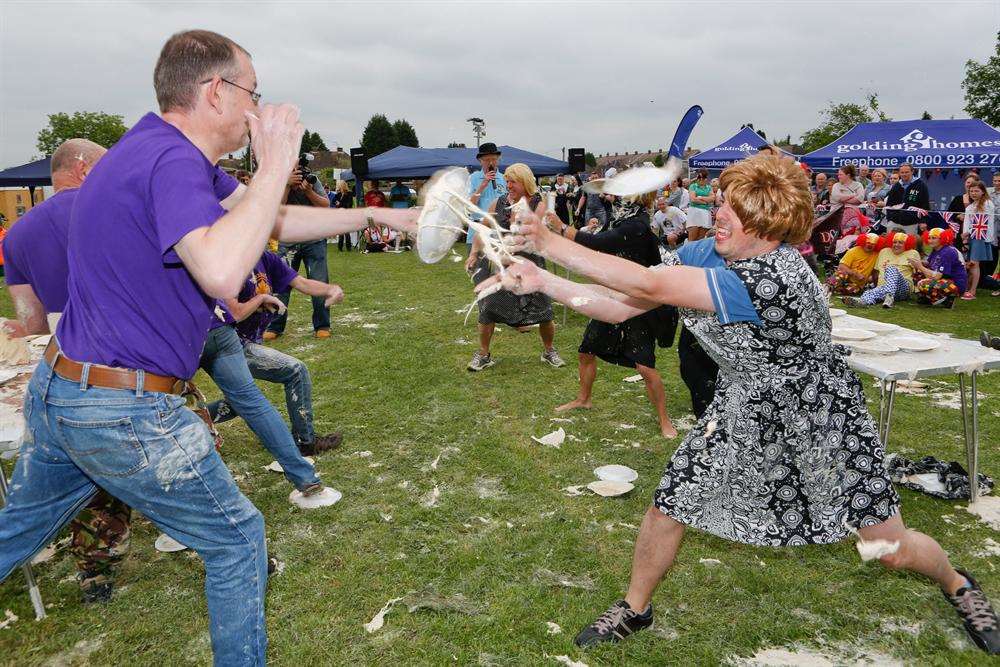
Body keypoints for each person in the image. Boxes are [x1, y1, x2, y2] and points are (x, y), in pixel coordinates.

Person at [0, 30, 418, 662]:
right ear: (216, 91)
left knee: (14, 534)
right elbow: (223, 272)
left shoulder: (151, 150)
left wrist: (374, 217)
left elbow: (263, 215)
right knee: (238, 540)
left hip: (65, 390)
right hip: (122, 408)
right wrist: (277, 159)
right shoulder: (171, 161)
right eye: (252, 91)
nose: (258, 107)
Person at [480, 153, 999, 655]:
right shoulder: (718, 254)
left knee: (888, 548)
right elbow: (620, 305)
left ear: (764, 223)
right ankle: (635, 608)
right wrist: (546, 281)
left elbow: (646, 281)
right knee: (671, 503)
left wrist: (548, 241)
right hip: (742, 402)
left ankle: (959, 585)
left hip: (818, 418)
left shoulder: (775, 279)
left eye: (729, 207)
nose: (715, 213)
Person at [1, 139, 130, 604]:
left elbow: (31, 324)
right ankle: (205, 535)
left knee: (84, 462)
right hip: (127, 355)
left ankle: (94, 568)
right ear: (81, 167)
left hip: (64, 363)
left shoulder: (16, 235)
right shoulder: (115, 209)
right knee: (185, 440)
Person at [545, 193, 677, 438]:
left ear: (635, 198)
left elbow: (598, 244)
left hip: (639, 303)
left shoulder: (636, 225)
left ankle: (664, 419)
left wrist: (562, 227)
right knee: (586, 351)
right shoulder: (620, 218)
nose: (612, 196)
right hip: (614, 298)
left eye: (620, 193)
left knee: (644, 366)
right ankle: (584, 399)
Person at [208, 251, 345, 455]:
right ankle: (305, 441)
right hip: (227, 343)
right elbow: (234, 312)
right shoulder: (230, 261)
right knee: (295, 371)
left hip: (240, 342)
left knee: (241, 401)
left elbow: (302, 283)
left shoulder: (265, 258)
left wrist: (330, 289)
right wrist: (262, 298)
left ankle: (192, 418)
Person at [465, 162, 564, 371]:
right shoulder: (498, 204)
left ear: (525, 182)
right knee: (488, 308)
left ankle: (549, 351)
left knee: (544, 312)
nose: (508, 185)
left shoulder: (539, 204)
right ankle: (483, 354)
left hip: (532, 266)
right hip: (503, 268)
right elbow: (481, 230)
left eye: (513, 181)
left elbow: (542, 233)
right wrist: (474, 253)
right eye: (507, 181)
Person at [264, 164, 333, 340]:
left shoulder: (312, 179)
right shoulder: (278, 181)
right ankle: (275, 326)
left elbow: (326, 205)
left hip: (314, 240)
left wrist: (309, 192)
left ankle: (322, 325)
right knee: (281, 284)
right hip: (287, 242)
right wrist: (287, 185)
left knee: (318, 281)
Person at [843, 233, 920, 308]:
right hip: (884, 287)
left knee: (891, 268)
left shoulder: (912, 253)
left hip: (903, 289)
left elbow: (918, 273)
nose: (896, 245)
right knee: (869, 292)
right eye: (894, 242)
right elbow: (876, 273)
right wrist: (876, 286)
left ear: (907, 244)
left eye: (900, 243)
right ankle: (862, 302)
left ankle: (889, 296)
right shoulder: (884, 252)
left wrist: (918, 292)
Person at [911, 228, 966, 307]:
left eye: (934, 238)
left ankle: (948, 299)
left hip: (955, 284)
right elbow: (929, 263)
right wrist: (917, 262)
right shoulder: (936, 249)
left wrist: (920, 266)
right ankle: (927, 297)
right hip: (944, 279)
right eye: (929, 238)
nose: (930, 240)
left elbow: (937, 276)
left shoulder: (948, 252)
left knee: (923, 283)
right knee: (916, 273)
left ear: (943, 238)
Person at [467, 142, 507, 244]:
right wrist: (483, 184)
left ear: (498, 159)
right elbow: (468, 207)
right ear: (480, 161)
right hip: (478, 231)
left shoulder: (505, 178)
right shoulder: (473, 178)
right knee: (477, 260)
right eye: (487, 160)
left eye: (493, 159)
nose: (490, 163)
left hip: (499, 233)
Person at [962, 180, 996, 300]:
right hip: (971, 237)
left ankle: (972, 291)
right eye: (971, 191)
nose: (973, 193)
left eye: (977, 191)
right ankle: (967, 288)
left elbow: (982, 224)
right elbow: (967, 222)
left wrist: (968, 232)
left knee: (974, 264)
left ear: (983, 192)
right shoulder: (970, 207)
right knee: (971, 265)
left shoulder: (987, 204)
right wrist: (965, 236)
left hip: (979, 237)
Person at [885, 163, 930, 231]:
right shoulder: (896, 186)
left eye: (907, 172)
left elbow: (925, 205)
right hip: (894, 222)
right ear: (899, 173)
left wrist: (923, 221)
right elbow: (889, 204)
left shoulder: (921, 185)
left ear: (912, 172)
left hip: (912, 223)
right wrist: (889, 219)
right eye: (902, 172)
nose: (904, 174)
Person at [686, 168, 714, 242]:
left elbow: (712, 198)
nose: (700, 179)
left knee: (701, 239)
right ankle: (689, 252)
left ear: (706, 178)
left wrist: (700, 197)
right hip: (694, 212)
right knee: (692, 237)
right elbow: (693, 199)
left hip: (705, 213)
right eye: (699, 177)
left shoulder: (709, 187)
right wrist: (705, 201)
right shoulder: (693, 186)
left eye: (703, 177)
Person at [332, 180, 355, 251]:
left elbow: (349, 204)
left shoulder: (349, 194)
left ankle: (348, 247)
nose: (337, 186)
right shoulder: (338, 194)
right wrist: (336, 202)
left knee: (346, 232)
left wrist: (340, 203)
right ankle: (340, 247)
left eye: (338, 185)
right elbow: (333, 201)